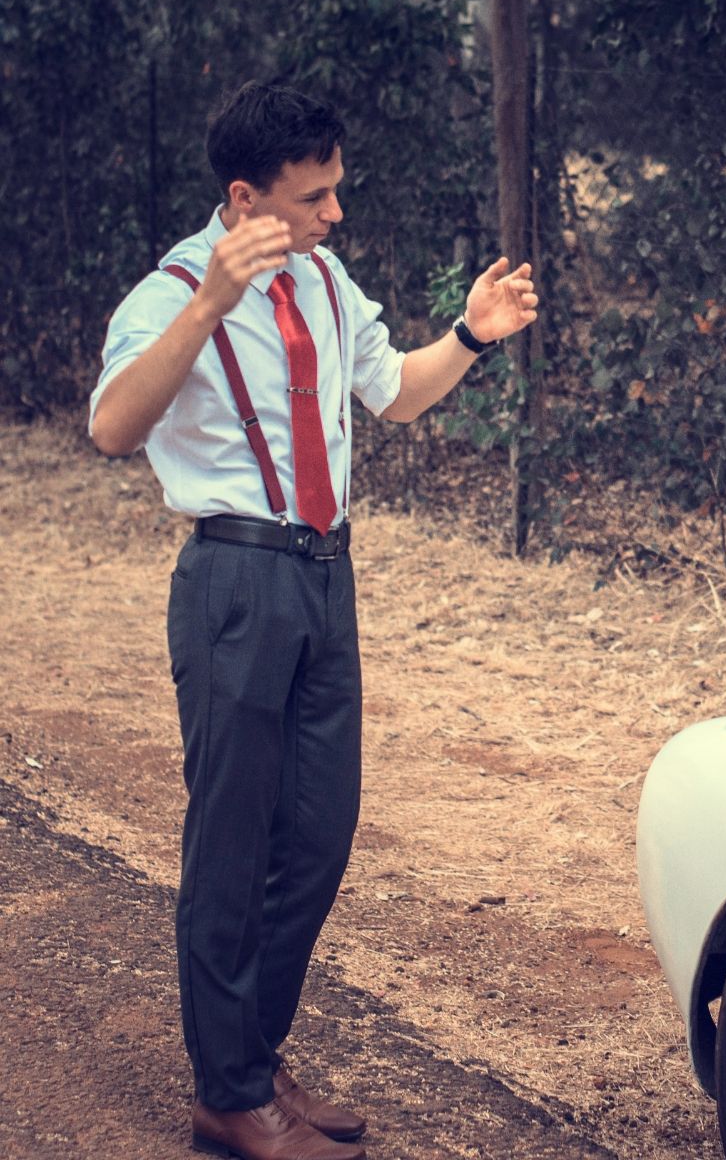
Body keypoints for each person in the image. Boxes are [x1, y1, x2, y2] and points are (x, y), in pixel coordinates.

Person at [89, 80, 539, 1160]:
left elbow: (394, 392)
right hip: (235, 581)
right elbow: (112, 427)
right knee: (232, 842)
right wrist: (208, 305)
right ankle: (229, 1092)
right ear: (245, 199)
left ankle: (252, 1053)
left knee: (320, 834)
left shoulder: (325, 281)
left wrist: (470, 337)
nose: (335, 212)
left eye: (336, 189)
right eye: (314, 196)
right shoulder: (170, 292)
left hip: (326, 579)